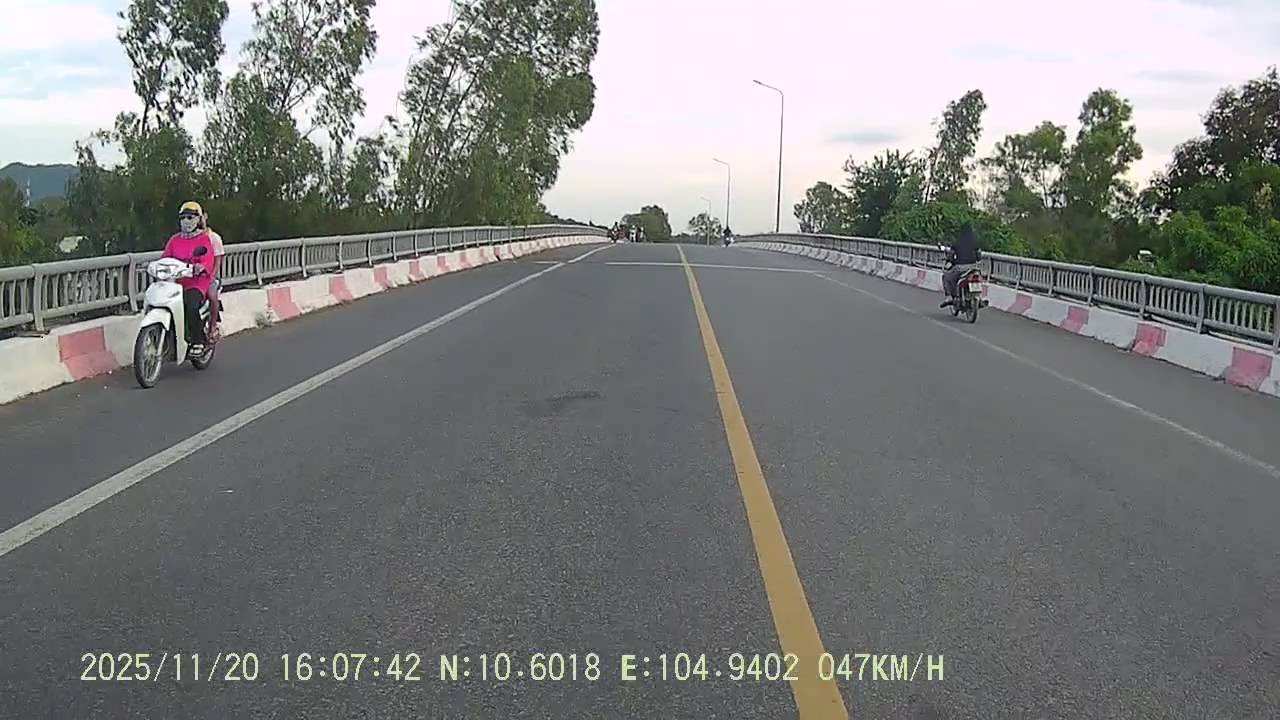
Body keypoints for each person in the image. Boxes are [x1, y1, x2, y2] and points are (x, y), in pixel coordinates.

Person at [162, 201, 218, 352]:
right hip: (176, 282)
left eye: (190, 217)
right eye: (183, 217)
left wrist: (201, 267)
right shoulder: (174, 240)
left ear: (198, 219)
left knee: (191, 304)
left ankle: (198, 340)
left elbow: (208, 259)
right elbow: (165, 258)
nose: (186, 221)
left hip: (197, 282)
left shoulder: (204, 239)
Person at [941, 222, 982, 308]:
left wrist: (950, 260)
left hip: (960, 268)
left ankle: (949, 297)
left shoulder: (957, 242)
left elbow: (951, 256)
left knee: (946, 277)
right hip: (973, 268)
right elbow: (979, 256)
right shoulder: (975, 242)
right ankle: (980, 299)